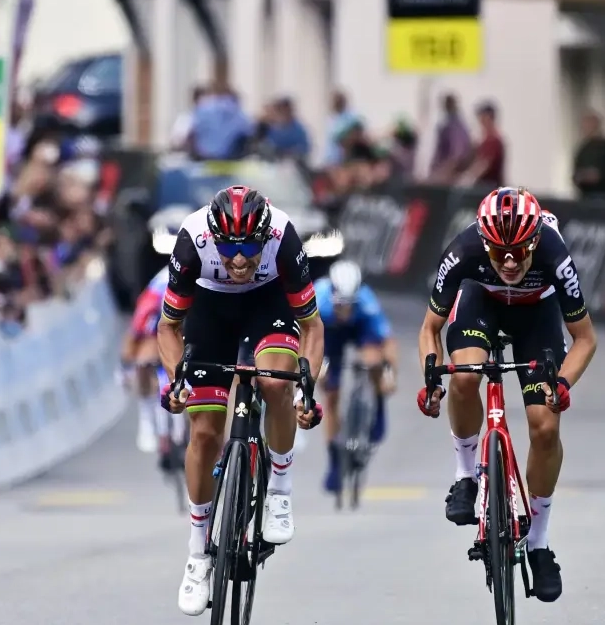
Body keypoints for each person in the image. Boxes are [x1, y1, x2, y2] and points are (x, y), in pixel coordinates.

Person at [416, 187, 599, 603]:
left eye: (519, 252)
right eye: (500, 253)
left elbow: (586, 339)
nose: (511, 262)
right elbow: (430, 328)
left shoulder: (554, 254)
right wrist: (432, 380)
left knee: (545, 427)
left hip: (537, 315)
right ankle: (466, 476)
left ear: (535, 241)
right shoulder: (464, 249)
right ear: (485, 245)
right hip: (482, 303)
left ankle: (539, 543)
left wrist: (562, 384)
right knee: (465, 377)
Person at [157, 186, 325, 616]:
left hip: (267, 304)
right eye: (228, 247)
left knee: (274, 383)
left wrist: (305, 388)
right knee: (204, 432)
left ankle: (279, 490)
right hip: (210, 310)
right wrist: (176, 381)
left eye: (249, 247)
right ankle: (198, 553)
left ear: (264, 238)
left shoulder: (284, 236)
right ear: (212, 238)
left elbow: (312, 326)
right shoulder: (192, 240)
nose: (237, 260)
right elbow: (168, 328)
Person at [313, 259, 399, 494]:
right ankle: (334, 463)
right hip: (328, 332)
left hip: (360, 328)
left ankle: (379, 406)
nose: (345, 310)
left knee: (373, 360)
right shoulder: (319, 299)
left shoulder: (366, 301)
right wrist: (316, 369)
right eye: (341, 304)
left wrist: (390, 374)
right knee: (330, 393)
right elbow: (307, 340)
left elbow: (387, 340)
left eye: (350, 304)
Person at [122, 266, 185, 459]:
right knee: (144, 358)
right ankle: (147, 415)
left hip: (189, 315)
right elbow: (137, 329)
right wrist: (127, 364)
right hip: (158, 313)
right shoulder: (157, 290)